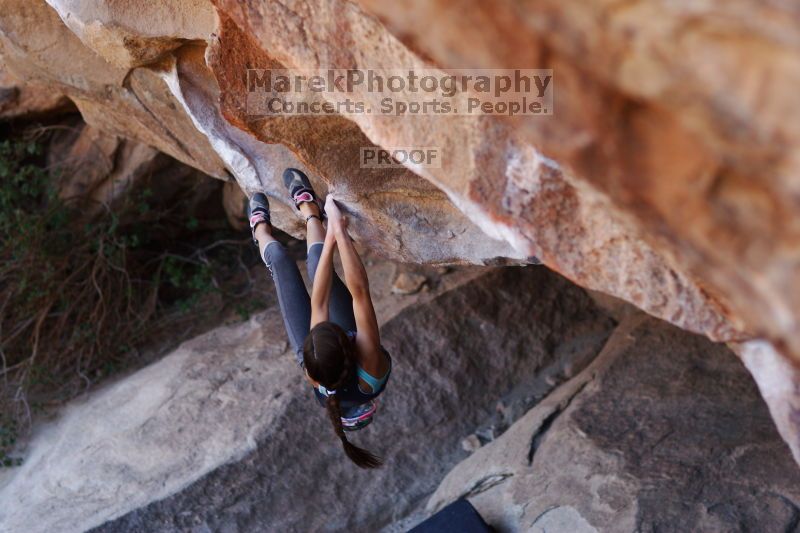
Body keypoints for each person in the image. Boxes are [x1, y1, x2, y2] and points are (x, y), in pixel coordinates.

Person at [247, 168, 391, 469]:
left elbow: (320, 303)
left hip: (318, 353)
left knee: (282, 263)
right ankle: (309, 209)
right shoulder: (370, 371)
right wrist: (336, 231)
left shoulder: (314, 365)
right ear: (346, 344)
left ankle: (259, 229)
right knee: (316, 264)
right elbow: (359, 292)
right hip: (329, 353)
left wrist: (334, 238)